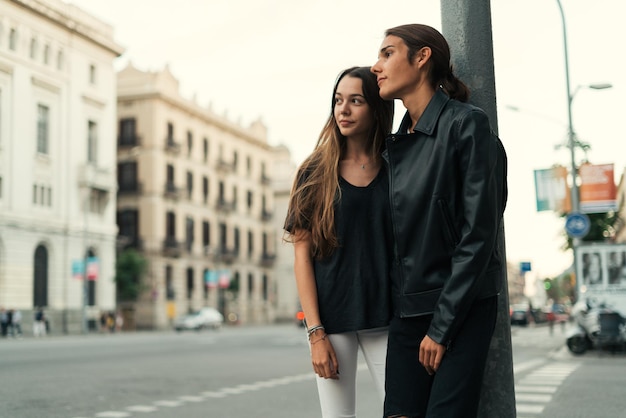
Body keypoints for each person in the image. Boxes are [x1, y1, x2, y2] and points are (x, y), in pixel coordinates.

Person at [371, 24, 508, 418]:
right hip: (408, 311)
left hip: (460, 308)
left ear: (422, 57)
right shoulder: (393, 146)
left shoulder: (467, 125)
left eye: (387, 53)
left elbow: (479, 235)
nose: (376, 65)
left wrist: (442, 327)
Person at [284, 66, 394, 417]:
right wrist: (315, 333)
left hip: (389, 317)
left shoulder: (398, 164)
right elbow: (302, 256)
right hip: (333, 323)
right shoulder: (314, 171)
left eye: (355, 101)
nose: (343, 110)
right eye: (337, 100)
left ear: (376, 108)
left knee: (404, 410)